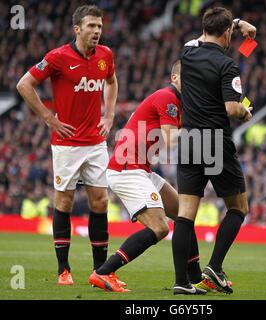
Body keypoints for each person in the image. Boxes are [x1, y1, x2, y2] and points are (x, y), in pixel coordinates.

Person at [16, 5, 118, 285]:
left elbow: (111, 80)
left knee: (100, 201)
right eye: (91, 27)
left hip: (95, 142)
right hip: (66, 144)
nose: (97, 31)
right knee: (65, 201)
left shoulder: (105, 55)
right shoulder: (58, 57)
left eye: (99, 26)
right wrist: (49, 117)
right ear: (77, 29)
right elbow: (24, 84)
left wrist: (109, 115)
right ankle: (64, 270)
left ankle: (101, 272)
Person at [88, 61, 205, 292]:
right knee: (160, 228)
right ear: (175, 78)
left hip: (140, 168)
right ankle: (102, 272)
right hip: (126, 169)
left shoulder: (182, 102)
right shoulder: (168, 98)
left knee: (185, 214)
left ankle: (196, 278)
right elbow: (171, 140)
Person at [172, 7, 256, 294]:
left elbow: (201, 37)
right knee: (238, 207)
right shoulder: (227, 64)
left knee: (185, 215)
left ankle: (181, 283)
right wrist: (246, 113)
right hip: (215, 142)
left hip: (189, 140)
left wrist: (232, 22)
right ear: (227, 34)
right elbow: (233, 108)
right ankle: (214, 267)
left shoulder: (187, 53)